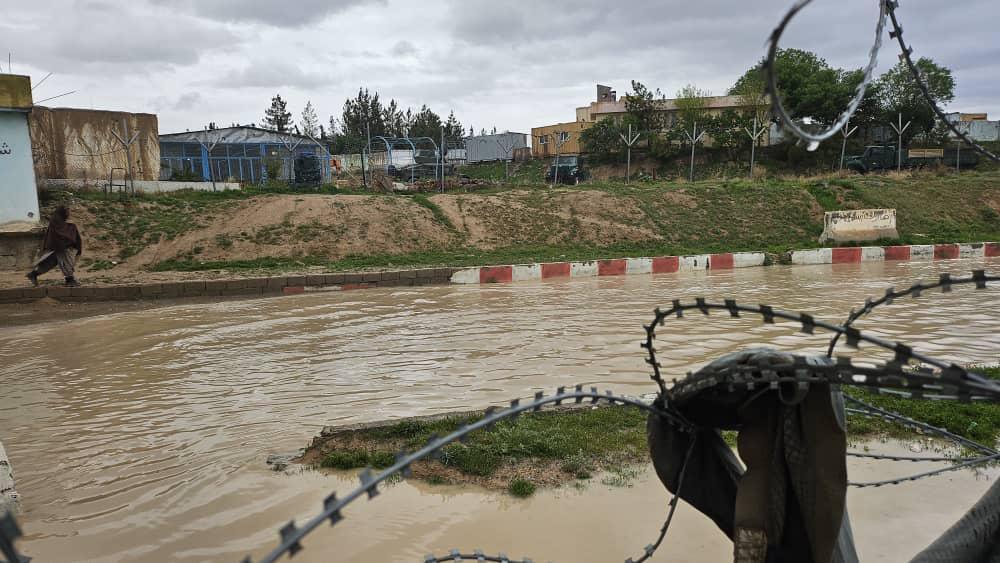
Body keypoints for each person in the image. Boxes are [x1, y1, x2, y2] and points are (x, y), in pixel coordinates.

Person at [26, 205, 83, 287]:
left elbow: (63, 229)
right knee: (66, 262)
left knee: (50, 263)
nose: (68, 214)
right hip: (60, 245)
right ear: (62, 211)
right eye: (67, 212)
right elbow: (61, 232)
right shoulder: (56, 219)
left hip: (59, 245)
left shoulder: (59, 219)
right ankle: (69, 280)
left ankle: (33, 274)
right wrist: (71, 228)